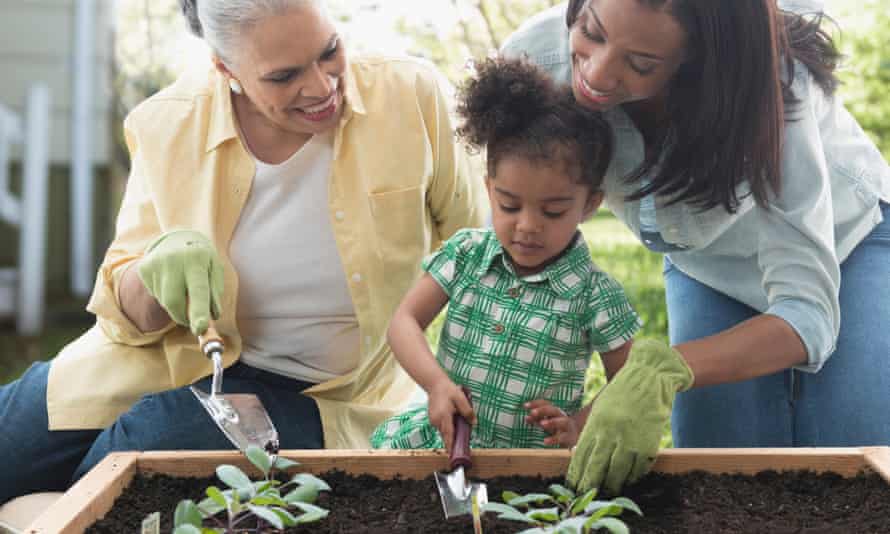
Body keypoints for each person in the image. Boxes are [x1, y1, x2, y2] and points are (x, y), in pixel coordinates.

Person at [0, 0, 487, 503]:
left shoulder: (411, 98)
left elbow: (479, 257)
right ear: (224, 68)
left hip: (324, 396)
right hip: (163, 361)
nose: (321, 86)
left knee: (146, 446)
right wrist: (156, 271)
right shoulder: (168, 124)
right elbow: (123, 318)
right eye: (283, 76)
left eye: (329, 51)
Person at [502, 0, 890, 495]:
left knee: (852, 455)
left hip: (847, 240)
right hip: (705, 260)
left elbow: (807, 315)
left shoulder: (774, 91)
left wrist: (668, 367)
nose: (596, 74)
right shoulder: (535, 60)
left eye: (641, 64)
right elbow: (507, 200)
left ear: (699, 61)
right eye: (591, 31)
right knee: (720, 467)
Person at [370, 57, 641, 453]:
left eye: (553, 211)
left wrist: (580, 425)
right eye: (509, 205)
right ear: (489, 188)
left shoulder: (593, 294)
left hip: (533, 466)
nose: (528, 226)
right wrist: (437, 385)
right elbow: (404, 322)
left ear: (589, 204)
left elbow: (629, 378)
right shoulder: (467, 255)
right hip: (445, 445)